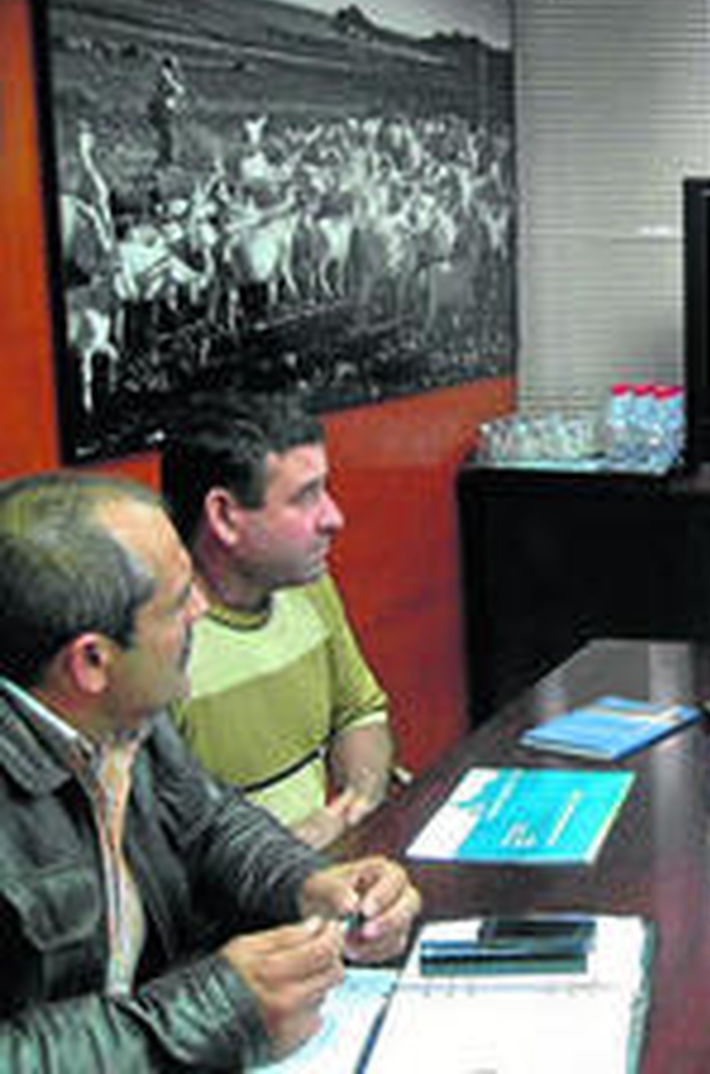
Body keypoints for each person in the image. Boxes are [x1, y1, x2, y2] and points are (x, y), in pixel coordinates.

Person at [0, 472, 421, 1069]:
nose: (202, 608)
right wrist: (210, 1014)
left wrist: (309, 885)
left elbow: (210, 825)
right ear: (92, 661)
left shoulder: (125, 713)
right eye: (179, 601)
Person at [161, 393, 395, 848]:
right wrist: (293, 853)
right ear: (224, 516)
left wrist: (356, 806)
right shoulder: (156, 641)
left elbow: (359, 712)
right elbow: (163, 848)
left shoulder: (307, 584)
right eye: (306, 497)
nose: (334, 518)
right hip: (253, 886)